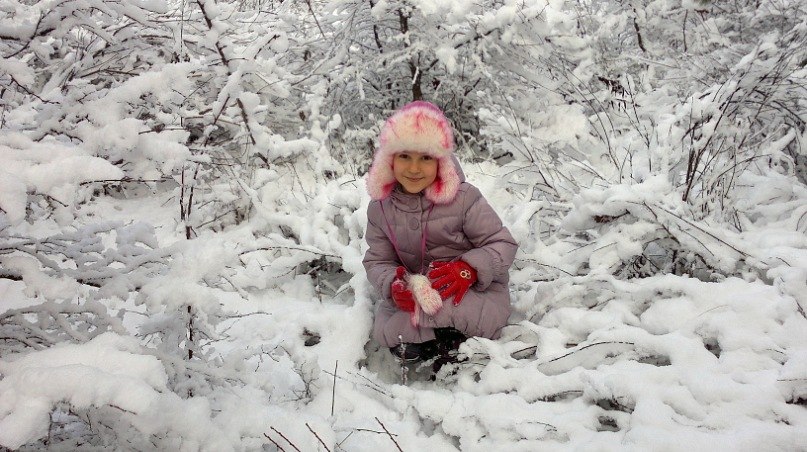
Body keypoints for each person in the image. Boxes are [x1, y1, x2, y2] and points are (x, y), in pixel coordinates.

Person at [363, 100, 518, 367]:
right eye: (405, 156)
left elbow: (502, 244)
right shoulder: (380, 209)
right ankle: (431, 343)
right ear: (390, 159)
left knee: (466, 315)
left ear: (441, 162)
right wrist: (392, 283)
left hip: (469, 290)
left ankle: (454, 343)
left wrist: (469, 269)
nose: (414, 169)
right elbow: (377, 261)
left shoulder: (464, 199)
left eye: (426, 158)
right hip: (418, 292)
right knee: (396, 333)